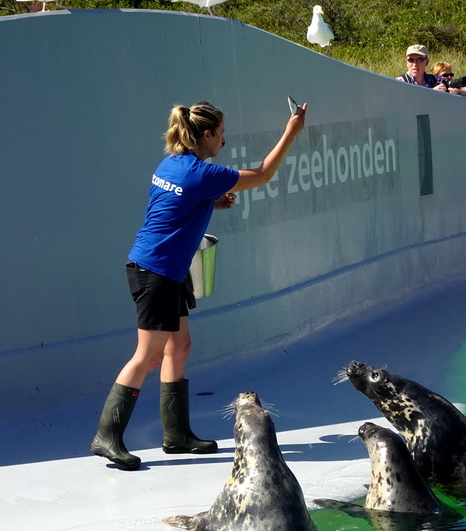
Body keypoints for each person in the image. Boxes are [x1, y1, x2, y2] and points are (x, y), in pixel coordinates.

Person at [89, 100, 307, 470]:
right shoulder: (203, 174)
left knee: (180, 345)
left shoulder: (172, 164)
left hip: (165, 269)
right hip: (155, 271)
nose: (224, 140)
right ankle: (106, 436)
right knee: (148, 356)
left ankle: (176, 435)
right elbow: (265, 173)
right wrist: (291, 132)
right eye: (221, 134)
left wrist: (209, 205)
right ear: (205, 135)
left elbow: (176, 203)